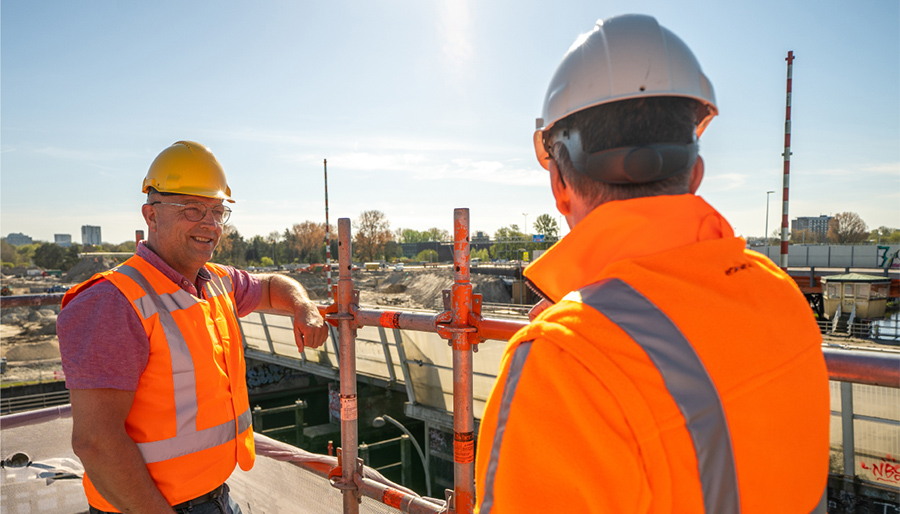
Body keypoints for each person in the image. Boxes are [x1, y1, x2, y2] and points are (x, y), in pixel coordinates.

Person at [474, 15, 829, 514]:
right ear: (696, 173)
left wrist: (574, 339)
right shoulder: (779, 294)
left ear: (559, 184)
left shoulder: (560, 369)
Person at [57, 140, 329, 514]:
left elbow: (270, 287)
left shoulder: (216, 281)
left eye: (217, 211)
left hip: (215, 496)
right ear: (151, 216)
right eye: (192, 209)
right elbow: (96, 443)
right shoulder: (113, 301)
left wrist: (303, 305)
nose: (210, 224)